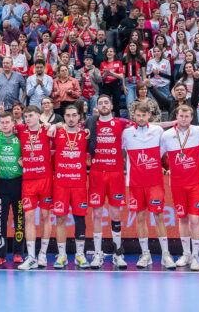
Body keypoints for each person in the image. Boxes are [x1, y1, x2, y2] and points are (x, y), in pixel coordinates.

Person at [120, 101, 176, 269]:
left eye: (144, 115)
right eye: (138, 115)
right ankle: (145, 254)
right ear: (134, 116)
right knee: (140, 218)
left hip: (155, 182)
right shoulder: (127, 134)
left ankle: (166, 253)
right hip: (135, 183)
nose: (141, 118)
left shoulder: (158, 131)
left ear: (149, 116)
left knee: (159, 217)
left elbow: (169, 148)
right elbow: (116, 150)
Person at [85, 95, 134, 269]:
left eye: (106, 102)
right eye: (100, 103)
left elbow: (145, 126)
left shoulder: (121, 122)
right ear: (96, 107)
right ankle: (97, 254)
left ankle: (117, 254)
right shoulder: (90, 123)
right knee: (96, 215)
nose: (104, 105)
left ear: (112, 105)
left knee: (115, 215)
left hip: (116, 173)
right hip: (97, 173)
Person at [160, 105, 199, 271]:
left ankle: (196, 255)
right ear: (177, 116)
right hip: (176, 183)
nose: (184, 119)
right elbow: (157, 154)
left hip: (196, 182)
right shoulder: (167, 135)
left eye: (187, 116)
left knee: (195, 220)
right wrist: (161, 168)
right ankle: (186, 253)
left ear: (191, 117)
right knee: (183, 218)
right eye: (181, 116)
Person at [51, 105, 90, 269]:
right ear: (64, 117)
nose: (71, 118)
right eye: (68, 115)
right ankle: (62, 255)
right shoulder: (57, 133)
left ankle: (80, 255)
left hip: (79, 183)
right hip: (61, 183)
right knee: (60, 218)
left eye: (74, 115)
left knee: (80, 219)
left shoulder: (85, 134)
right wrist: (54, 125)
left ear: (79, 117)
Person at [16, 106, 54, 270]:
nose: (27, 118)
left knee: (46, 216)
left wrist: (53, 125)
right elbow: (0, 126)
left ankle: (43, 254)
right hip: (28, 180)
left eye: (30, 115)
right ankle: (31, 257)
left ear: (39, 116)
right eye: (25, 116)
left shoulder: (47, 130)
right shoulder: (21, 129)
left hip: (45, 179)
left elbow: (65, 126)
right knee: (29, 218)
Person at [0, 111, 25, 265]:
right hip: (2, 184)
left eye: (7, 122)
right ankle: (1, 254)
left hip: (18, 183)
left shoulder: (20, 138)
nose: (5, 125)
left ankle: (18, 253)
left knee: (19, 219)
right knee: (0, 220)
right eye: (2, 123)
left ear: (14, 123)